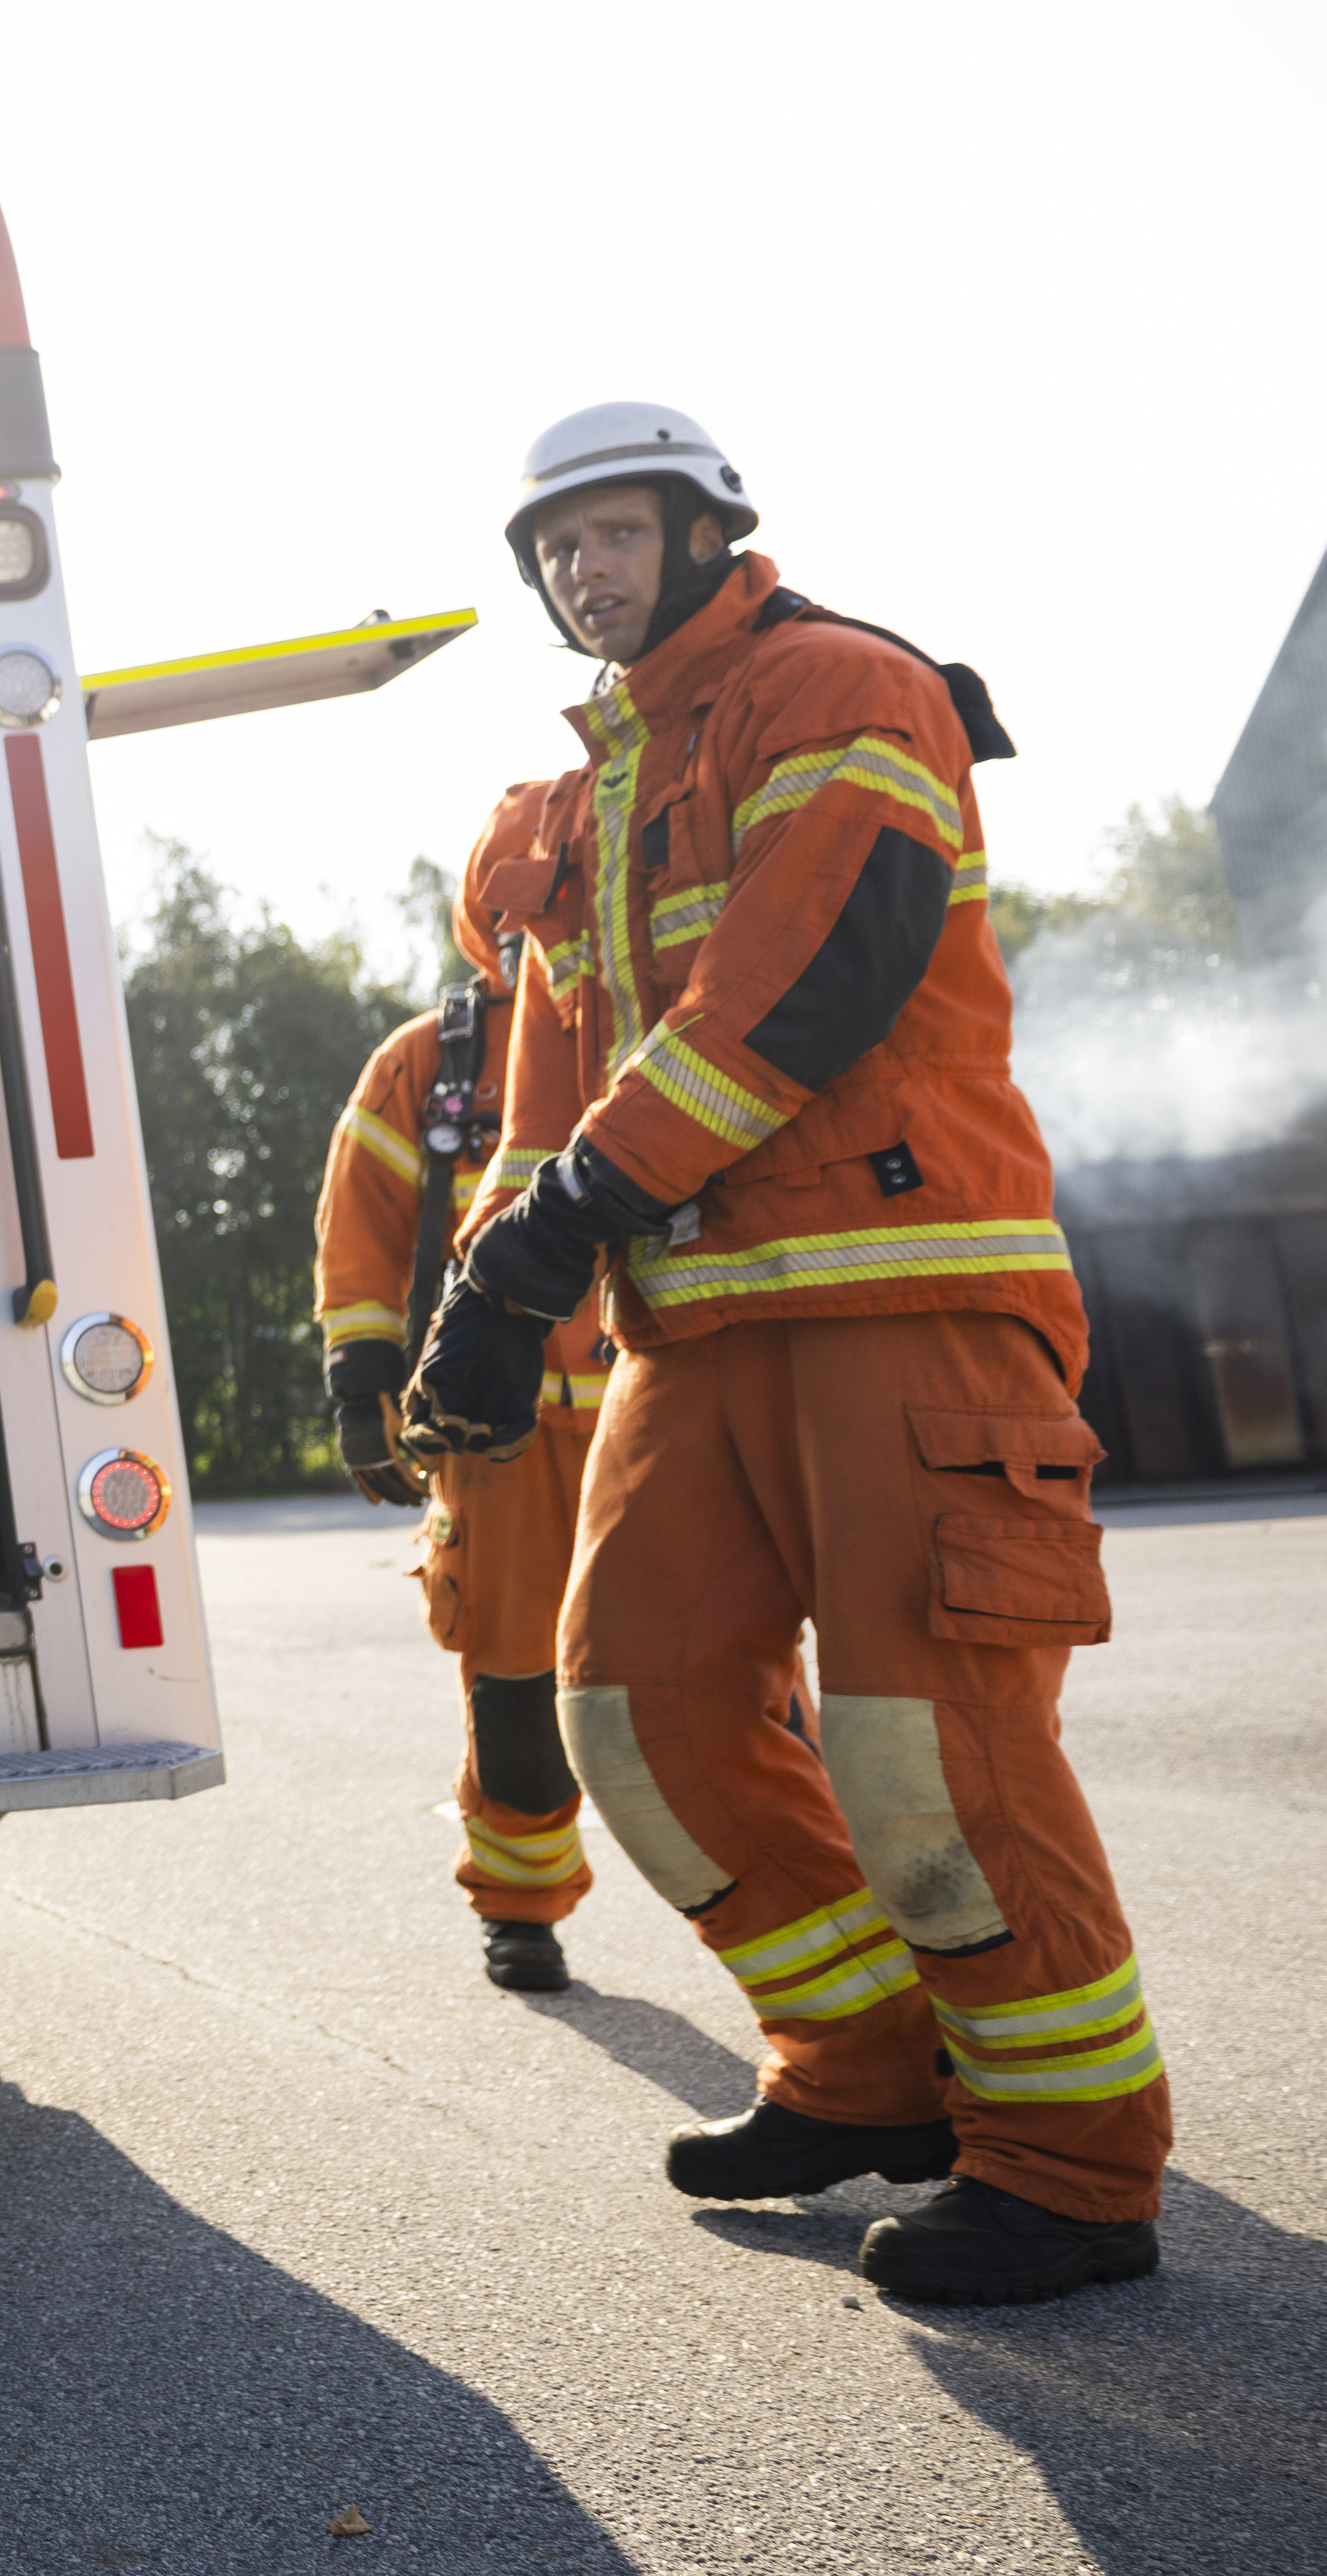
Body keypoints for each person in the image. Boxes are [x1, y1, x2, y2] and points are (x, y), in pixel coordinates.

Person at [407, 404, 1164, 2304]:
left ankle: (1073, 2166)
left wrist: (566, 1222)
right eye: (552, 547)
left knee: (926, 1750)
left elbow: (795, 985)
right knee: (629, 1721)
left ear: (704, 521)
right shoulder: (581, 804)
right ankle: (862, 2071)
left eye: (613, 529)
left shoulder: (837, 686)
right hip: (694, 1322)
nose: (585, 568)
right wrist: (492, 1311)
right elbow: (557, 1093)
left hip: (907, 1292)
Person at [310, 781, 609, 1993]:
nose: (540, 934)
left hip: (671, 1397)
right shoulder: (434, 1062)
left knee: (736, 1673)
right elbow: (362, 1236)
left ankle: (821, 1934)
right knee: (514, 1674)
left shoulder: (663, 1021)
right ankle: (522, 1902)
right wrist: (362, 1390)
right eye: (522, 912)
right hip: (504, 1424)